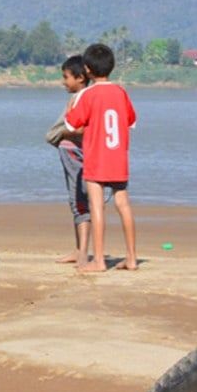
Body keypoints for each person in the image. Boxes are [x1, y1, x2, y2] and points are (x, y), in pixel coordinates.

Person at [64, 42, 139, 273]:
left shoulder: (88, 95)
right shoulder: (120, 92)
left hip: (97, 158)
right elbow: (131, 122)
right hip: (118, 157)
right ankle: (132, 257)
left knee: (97, 205)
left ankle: (98, 259)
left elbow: (70, 124)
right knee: (123, 204)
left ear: (87, 69)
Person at [45, 54, 93, 265]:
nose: (64, 82)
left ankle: (82, 251)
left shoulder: (82, 98)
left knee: (79, 201)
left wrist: (64, 133)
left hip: (75, 154)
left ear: (81, 77)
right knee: (76, 200)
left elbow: (83, 127)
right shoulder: (79, 97)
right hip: (71, 154)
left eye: (66, 77)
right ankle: (78, 249)